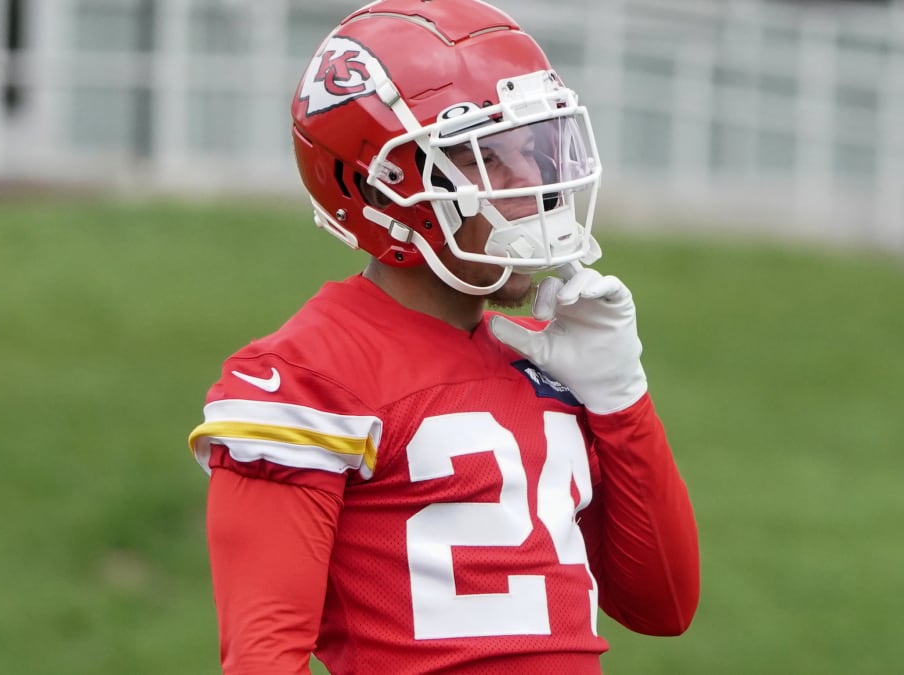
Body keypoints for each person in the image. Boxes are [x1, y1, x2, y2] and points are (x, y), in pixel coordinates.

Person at [187, 1, 700, 673]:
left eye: (533, 150)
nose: (536, 187)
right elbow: (264, 658)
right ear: (386, 190)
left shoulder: (544, 359)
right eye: (491, 160)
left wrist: (621, 400)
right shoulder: (307, 373)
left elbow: (662, 603)